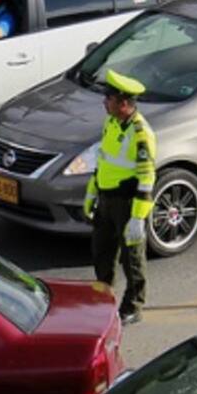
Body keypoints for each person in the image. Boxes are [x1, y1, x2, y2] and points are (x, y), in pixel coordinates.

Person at [83, 69, 156, 323]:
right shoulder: (111, 122)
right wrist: (92, 194)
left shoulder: (140, 133)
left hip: (127, 204)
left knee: (132, 258)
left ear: (124, 103)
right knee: (101, 253)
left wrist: (137, 218)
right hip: (106, 200)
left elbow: (147, 178)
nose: (105, 102)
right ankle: (104, 299)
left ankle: (133, 305)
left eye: (109, 98)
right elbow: (103, 161)